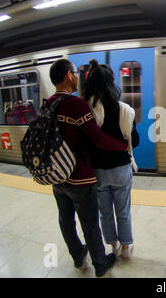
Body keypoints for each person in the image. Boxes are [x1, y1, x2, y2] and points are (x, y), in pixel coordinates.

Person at [48, 59, 130, 277]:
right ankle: (100, 263)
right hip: (78, 175)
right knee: (90, 223)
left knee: (65, 218)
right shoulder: (75, 104)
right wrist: (123, 145)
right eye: (75, 72)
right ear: (68, 76)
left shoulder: (49, 103)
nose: (78, 77)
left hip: (56, 175)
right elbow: (98, 139)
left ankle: (77, 255)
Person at [81, 59, 139, 259]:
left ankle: (112, 244)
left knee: (104, 212)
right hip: (121, 169)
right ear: (112, 82)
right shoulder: (124, 109)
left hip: (97, 171)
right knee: (123, 211)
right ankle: (125, 248)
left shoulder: (86, 110)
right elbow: (136, 140)